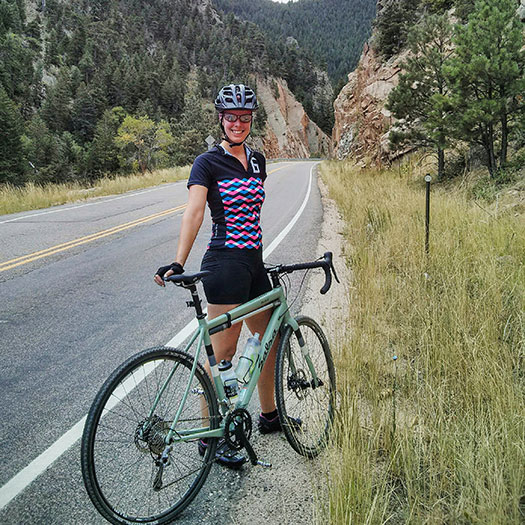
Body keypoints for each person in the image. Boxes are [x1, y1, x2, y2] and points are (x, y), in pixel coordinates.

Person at [154, 84, 290, 469]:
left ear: (251, 121)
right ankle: (210, 440)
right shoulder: (207, 163)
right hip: (224, 265)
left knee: (268, 338)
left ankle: (269, 416)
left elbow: (252, 213)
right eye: (231, 117)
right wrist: (178, 261)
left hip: (253, 264)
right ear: (221, 119)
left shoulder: (259, 161)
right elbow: (194, 212)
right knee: (222, 354)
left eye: (244, 118)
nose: (237, 123)